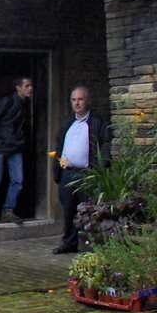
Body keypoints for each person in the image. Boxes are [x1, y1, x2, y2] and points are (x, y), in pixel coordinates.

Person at [52, 86, 111, 254]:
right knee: (69, 209)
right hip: (67, 173)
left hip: (87, 173)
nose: (77, 103)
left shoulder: (97, 122)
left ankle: (90, 243)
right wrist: (58, 167)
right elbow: (59, 145)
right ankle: (69, 243)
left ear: (88, 101)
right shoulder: (67, 122)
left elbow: (105, 145)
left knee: (87, 209)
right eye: (73, 100)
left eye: (80, 99)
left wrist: (102, 167)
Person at [0, 76, 34, 223]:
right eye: (26, 86)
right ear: (18, 88)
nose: (30, 89)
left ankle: (8, 210)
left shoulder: (26, 103)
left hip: (15, 145)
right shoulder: (7, 102)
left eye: (31, 86)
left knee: (18, 180)